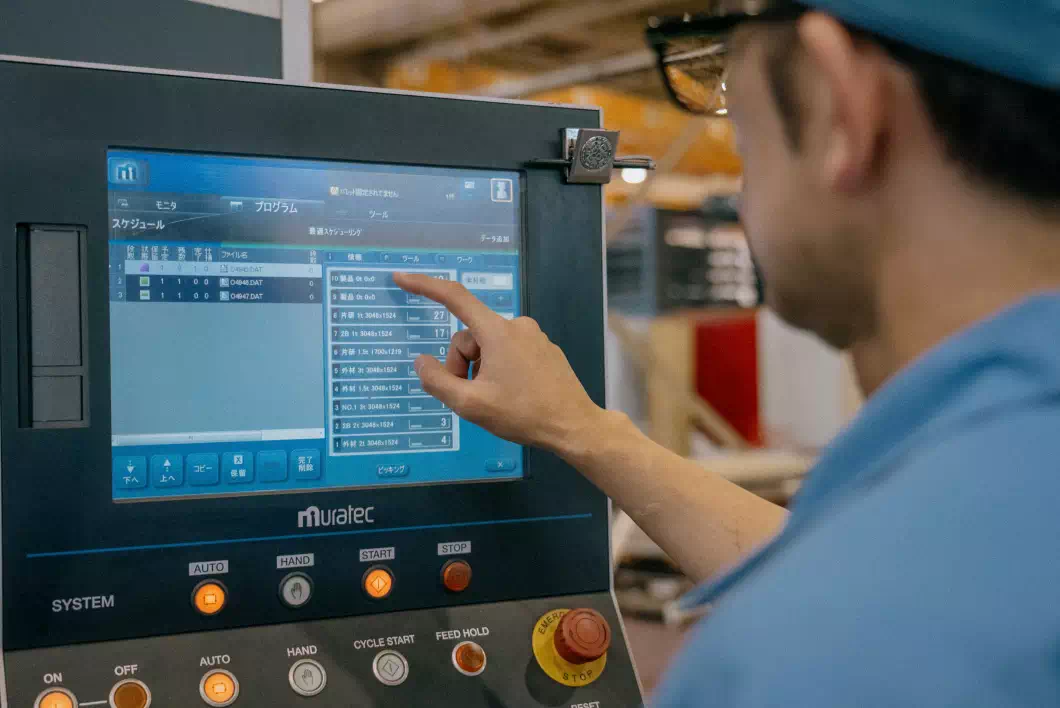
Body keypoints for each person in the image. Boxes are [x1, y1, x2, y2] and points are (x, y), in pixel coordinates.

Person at [396, 0, 1060, 704]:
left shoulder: (796, 666)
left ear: (842, 104)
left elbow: (853, 607)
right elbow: (850, 568)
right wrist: (580, 429)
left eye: (742, 137)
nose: (742, 199)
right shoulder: (994, 515)